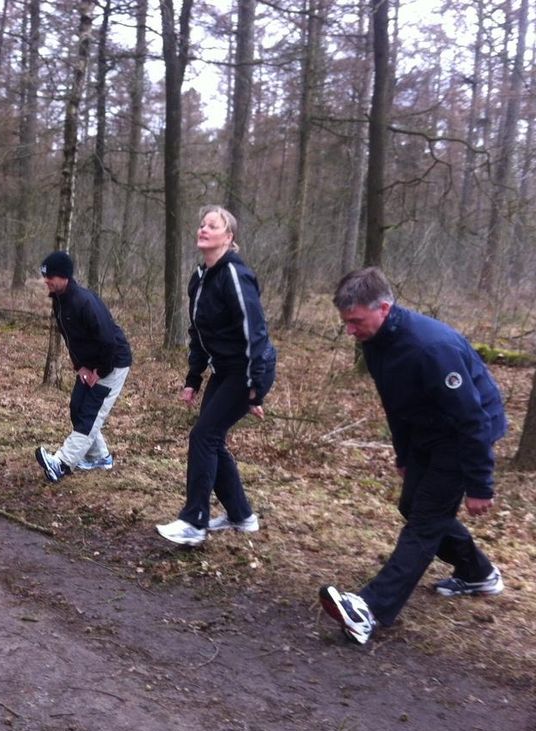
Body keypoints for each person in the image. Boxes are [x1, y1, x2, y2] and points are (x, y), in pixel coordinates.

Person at [319, 267, 507, 646]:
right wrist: (404, 453)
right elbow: (395, 403)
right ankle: (478, 573)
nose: (350, 330)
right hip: (428, 433)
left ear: (384, 308)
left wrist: (479, 483)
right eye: (346, 323)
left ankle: (369, 610)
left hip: (462, 435)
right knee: (412, 506)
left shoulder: (431, 348)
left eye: (356, 321)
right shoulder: (376, 345)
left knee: (425, 523)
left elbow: (471, 418)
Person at [156, 206, 276, 546]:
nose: (203, 229)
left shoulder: (235, 275)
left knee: (204, 436)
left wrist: (255, 387)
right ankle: (241, 515)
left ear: (229, 237)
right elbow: (198, 332)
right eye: (201, 224)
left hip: (249, 369)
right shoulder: (200, 277)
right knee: (212, 437)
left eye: (212, 225)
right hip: (224, 369)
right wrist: (193, 378)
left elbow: (256, 331)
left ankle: (194, 522)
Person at [35, 250, 132, 483]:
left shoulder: (84, 302)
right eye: (45, 276)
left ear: (64, 276)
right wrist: (80, 367)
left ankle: (61, 463)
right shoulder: (59, 303)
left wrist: (100, 371)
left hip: (113, 363)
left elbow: (108, 340)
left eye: (51, 276)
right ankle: (101, 457)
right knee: (78, 407)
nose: (46, 280)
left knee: (90, 415)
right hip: (90, 364)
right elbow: (71, 339)